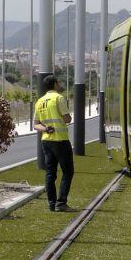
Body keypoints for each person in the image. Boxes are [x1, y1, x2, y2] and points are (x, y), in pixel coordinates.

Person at [33, 75, 75, 212]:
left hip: (46, 140)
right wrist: (67, 117)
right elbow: (67, 119)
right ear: (56, 84)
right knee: (68, 171)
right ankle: (61, 203)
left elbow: (35, 125)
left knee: (50, 173)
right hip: (60, 140)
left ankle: (51, 204)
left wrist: (46, 128)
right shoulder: (58, 98)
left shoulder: (39, 101)